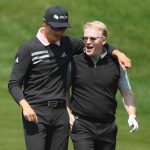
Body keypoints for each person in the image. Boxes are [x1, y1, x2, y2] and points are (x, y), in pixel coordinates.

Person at [8, 6, 131, 150]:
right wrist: (25, 107)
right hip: (36, 111)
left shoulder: (67, 43)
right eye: (55, 28)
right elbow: (14, 83)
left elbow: (96, 43)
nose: (59, 32)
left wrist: (118, 53)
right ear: (44, 23)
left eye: (63, 28)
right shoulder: (28, 49)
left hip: (61, 114)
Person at [67, 21, 138, 150]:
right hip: (82, 125)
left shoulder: (117, 64)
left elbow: (126, 92)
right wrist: (68, 113)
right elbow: (63, 91)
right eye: (85, 38)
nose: (87, 42)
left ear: (103, 40)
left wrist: (132, 115)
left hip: (108, 127)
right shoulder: (75, 62)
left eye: (92, 38)